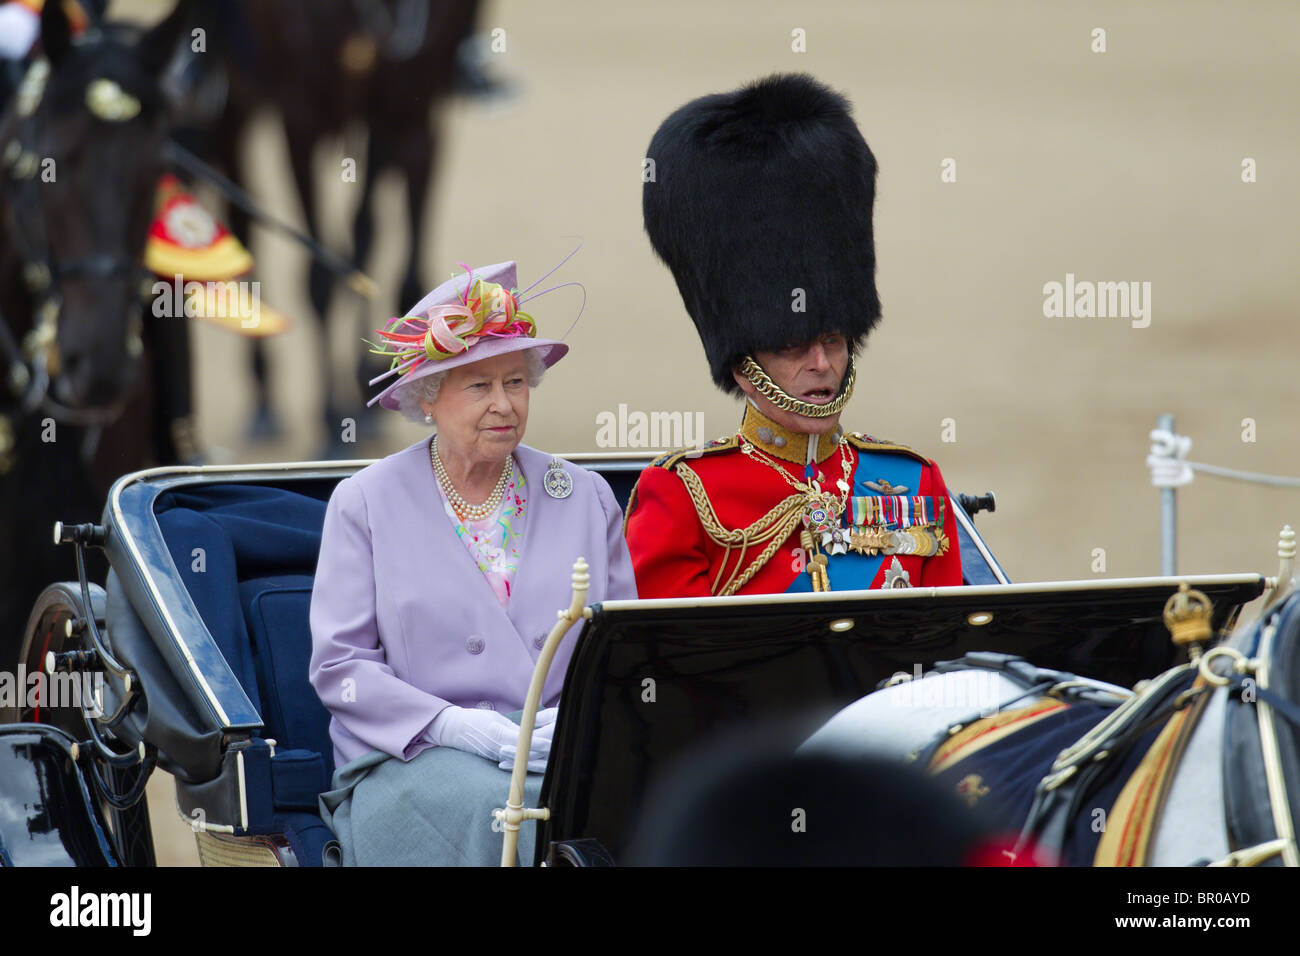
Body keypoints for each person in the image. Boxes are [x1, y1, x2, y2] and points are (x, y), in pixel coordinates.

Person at [309, 259, 637, 866]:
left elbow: (624, 646)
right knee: (500, 812)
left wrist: (573, 723)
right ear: (427, 400)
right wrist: (450, 726)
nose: (504, 404)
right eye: (478, 386)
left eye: (516, 382)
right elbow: (341, 667)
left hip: (560, 747)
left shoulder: (584, 494)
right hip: (413, 754)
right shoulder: (366, 503)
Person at [625, 73, 963, 597]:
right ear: (742, 362)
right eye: (791, 346)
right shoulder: (683, 493)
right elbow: (667, 661)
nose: (822, 364)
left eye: (832, 341)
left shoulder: (916, 483)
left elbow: (949, 652)